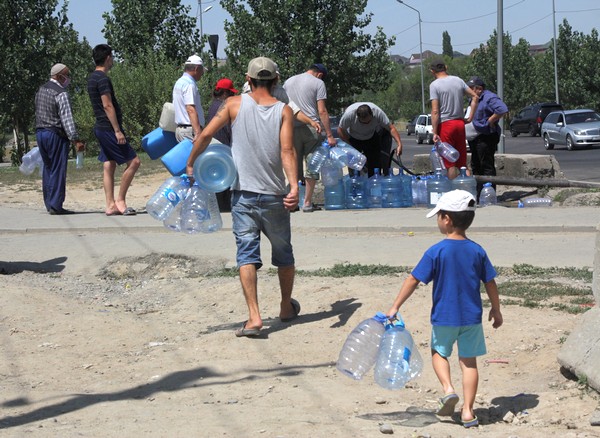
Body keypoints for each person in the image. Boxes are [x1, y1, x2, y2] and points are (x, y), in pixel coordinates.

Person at [186, 57, 299, 338]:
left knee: (246, 255)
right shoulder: (284, 110)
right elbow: (287, 152)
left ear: (247, 80)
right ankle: (285, 306)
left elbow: (204, 135)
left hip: (243, 196)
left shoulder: (233, 104)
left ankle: (254, 317)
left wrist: (191, 163)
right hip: (275, 195)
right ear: (275, 81)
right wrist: (294, 186)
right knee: (284, 253)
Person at [385, 189, 503, 428]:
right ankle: (468, 411)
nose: (438, 220)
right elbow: (490, 282)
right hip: (471, 318)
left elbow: (413, 279)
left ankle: (448, 389)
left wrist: (395, 306)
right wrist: (496, 309)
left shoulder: (436, 251)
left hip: (444, 318)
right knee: (469, 362)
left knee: (439, 352)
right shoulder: (477, 250)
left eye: (438, 215)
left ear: (446, 219)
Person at [87, 44, 141, 216]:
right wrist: (117, 130)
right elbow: (107, 105)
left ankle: (110, 204)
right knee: (134, 162)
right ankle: (120, 200)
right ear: (108, 57)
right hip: (109, 128)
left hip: (101, 127)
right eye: (112, 57)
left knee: (109, 164)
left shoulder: (92, 78)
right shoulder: (102, 79)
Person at [284, 63, 336, 212]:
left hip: (291, 128)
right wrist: (330, 135)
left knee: (294, 165)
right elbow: (322, 111)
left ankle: (293, 202)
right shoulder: (318, 83)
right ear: (319, 74)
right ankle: (307, 202)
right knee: (312, 164)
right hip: (312, 128)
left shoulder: (289, 81)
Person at [34, 63, 85, 215]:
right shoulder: (61, 93)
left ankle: (49, 203)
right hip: (55, 134)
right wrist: (75, 139)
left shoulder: (41, 89)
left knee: (48, 169)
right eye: (66, 75)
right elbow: (66, 119)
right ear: (58, 76)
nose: (68, 78)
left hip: (40, 133)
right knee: (57, 169)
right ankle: (56, 205)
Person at [429, 58, 479, 179]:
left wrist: (435, 132)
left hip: (446, 125)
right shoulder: (458, 80)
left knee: (450, 163)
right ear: (446, 68)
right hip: (459, 124)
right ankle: (468, 190)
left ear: (432, 71)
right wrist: (470, 117)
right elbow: (475, 96)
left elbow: (435, 111)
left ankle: (451, 192)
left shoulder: (434, 85)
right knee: (462, 163)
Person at [465, 76, 508, 198]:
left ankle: (489, 194)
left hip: (486, 137)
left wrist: (489, 121)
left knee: (486, 165)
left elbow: (502, 109)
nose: (468, 91)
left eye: (471, 88)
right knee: (476, 165)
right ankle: (479, 194)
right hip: (475, 138)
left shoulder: (489, 97)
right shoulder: (474, 98)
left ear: (479, 89)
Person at [337, 102, 403, 176]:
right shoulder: (349, 115)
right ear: (357, 117)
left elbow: (391, 128)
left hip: (371, 137)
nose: (367, 124)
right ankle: (355, 182)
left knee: (375, 164)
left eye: (369, 121)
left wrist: (399, 144)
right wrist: (349, 144)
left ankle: (374, 180)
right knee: (354, 165)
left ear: (372, 114)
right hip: (354, 138)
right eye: (364, 123)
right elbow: (340, 130)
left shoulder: (378, 113)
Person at [206, 77, 238, 212]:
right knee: (226, 178)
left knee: (217, 178)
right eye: (231, 93)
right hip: (223, 147)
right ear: (224, 93)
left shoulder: (213, 105)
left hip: (213, 146)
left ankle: (221, 207)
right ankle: (225, 208)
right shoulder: (223, 106)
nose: (232, 96)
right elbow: (230, 130)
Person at [173, 55, 206, 142]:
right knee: (197, 156)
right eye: (202, 70)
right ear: (196, 68)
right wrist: (197, 132)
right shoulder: (189, 85)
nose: (202, 73)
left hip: (181, 129)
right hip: (189, 131)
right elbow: (190, 108)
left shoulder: (179, 82)